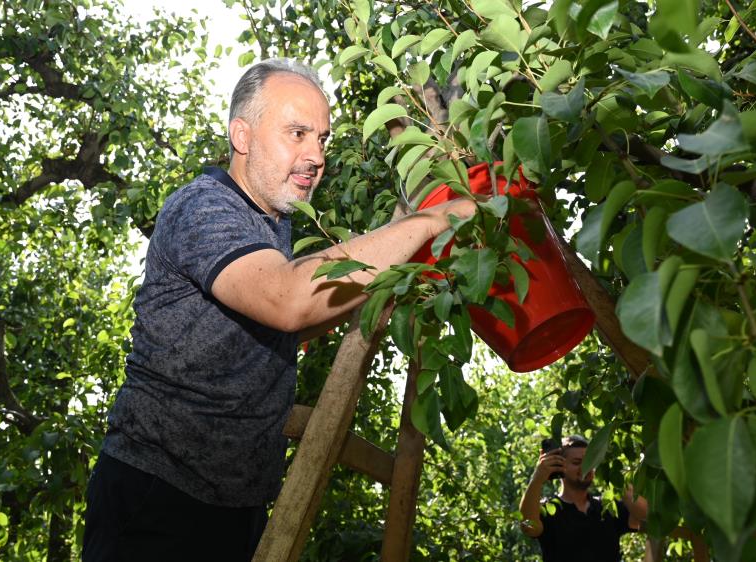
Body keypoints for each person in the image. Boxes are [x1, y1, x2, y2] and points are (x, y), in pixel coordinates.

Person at [82, 58, 477, 561]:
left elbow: (309, 312)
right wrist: (427, 221)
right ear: (241, 136)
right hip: (157, 499)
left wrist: (401, 273)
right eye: (297, 133)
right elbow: (288, 300)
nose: (316, 154)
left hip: (235, 506)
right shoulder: (204, 208)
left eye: (323, 139)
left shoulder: (270, 228)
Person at [519, 435, 648, 562]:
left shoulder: (607, 507)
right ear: (559, 466)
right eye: (577, 462)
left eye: (589, 462)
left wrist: (615, 478)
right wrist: (537, 478)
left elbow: (646, 516)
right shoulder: (549, 510)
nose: (585, 467)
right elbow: (528, 525)